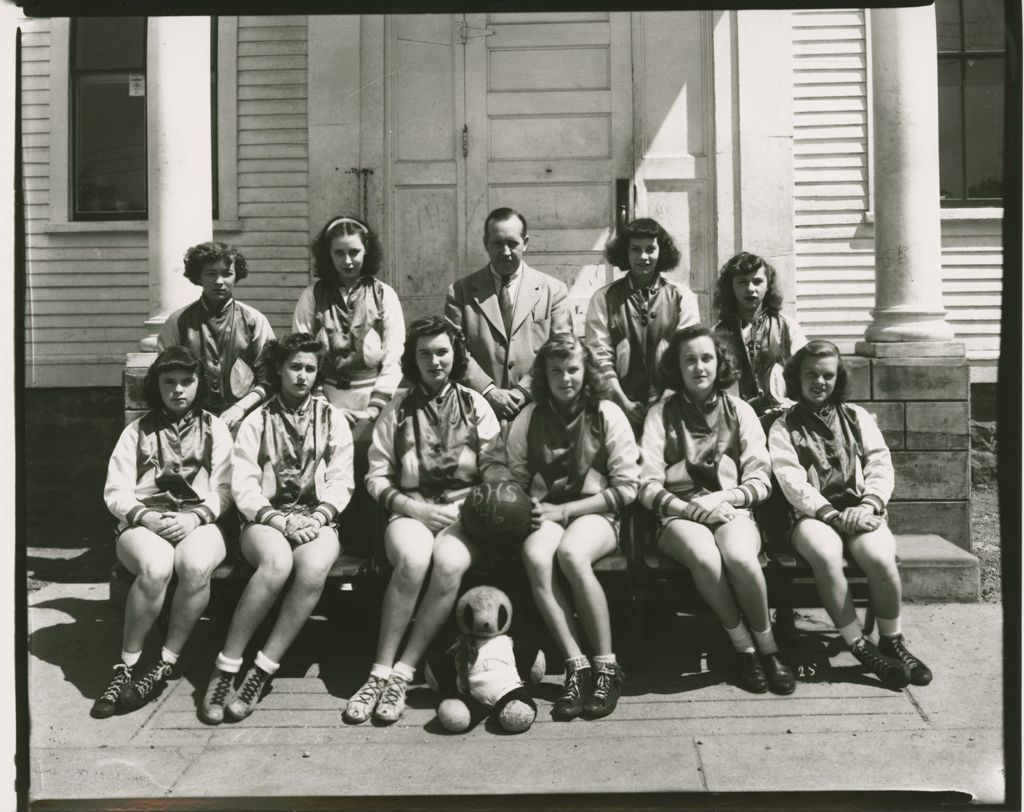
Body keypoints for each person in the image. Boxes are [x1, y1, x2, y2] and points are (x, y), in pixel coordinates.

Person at [347, 316, 510, 725]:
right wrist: (413, 508)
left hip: (463, 511)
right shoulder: (397, 408)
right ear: (412, 359)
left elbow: (494, 464)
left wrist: (476, 499)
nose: (434, 360)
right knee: (415, 559)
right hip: (410, 509)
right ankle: (377, 673)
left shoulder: (476, 404)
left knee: (450, 562)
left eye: (442, 352)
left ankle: (403, 673)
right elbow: (376, 475)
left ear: (455, 356)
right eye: (425, 353)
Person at [201, 333, 354, 723]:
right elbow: (245, 486)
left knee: (315, 566)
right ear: (280, 370)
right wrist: (280, 520)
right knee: (276, 563)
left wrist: (317, 518)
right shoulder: (257, 420)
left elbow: (341, 481)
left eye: (309, 368)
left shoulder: (332, 419)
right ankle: (227, 666)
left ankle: (262, 669)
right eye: (294, 367)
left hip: (316, 518)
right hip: (265, 519)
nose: (301, 376)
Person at [638, 326, 795, 695]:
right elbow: (646, 485)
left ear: (719, 362)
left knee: (740, 556)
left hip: (730, 507)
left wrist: (723, 500)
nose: (698, 367)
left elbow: (761, 479)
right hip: (678, 513)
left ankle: (769, 648)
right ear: (677, 367)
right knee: (705, 558)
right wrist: (693, 510)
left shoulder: (740, 410)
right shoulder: (660, 413)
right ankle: (745, 649)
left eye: (706, 358)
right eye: (689, 360)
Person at [768, 340, 931, 689]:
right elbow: (791, 481)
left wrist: (868, 505)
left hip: (860, 509)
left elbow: (879, 464)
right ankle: (858, 643)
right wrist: (830, 514)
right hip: (810, 517)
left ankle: (891, 640)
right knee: (826, 554)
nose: (819, 382)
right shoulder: (783, 426)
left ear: (837, 378)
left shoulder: (856, 416)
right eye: (811, 374)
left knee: (880, 557)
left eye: (828, 375)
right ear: (797, 377)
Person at [507, 335, 640, 720]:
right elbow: (514, 473)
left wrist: (563, 513)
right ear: (543, 376)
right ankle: (575, 664)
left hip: (597, 513)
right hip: (547, 511)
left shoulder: (606, 414)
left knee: (572, 554)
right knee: (536, 555)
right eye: (555, 371)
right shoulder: (529, 416)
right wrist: (523, 502)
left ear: (586, 372)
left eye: (573, 370)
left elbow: (627, 488)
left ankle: (607, 667)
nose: (565, 378)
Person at [96, 347, 232, 718]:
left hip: (199, 521)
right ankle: (125, 667)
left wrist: (195, 517)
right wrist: (144, 516)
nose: (178, 390)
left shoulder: (215, 428)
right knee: (156, 568)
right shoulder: (136, 431)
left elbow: (225, 489)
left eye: (187, 381)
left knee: (195, 565)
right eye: (168, 382)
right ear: (156, 386)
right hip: (146, 521)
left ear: (199, 384)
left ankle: (164, 662)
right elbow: (116, 491)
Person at [444, 207, 572, 422]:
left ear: (526, 242)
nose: (505, 252)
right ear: (486, 243)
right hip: (478, 410)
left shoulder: (553, 290)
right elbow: (455, 349)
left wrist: (523, 391)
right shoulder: (460, 292)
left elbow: (560, 349)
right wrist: (488, 391)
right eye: (497, 243)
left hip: (538, 410)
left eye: (512, 243)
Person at [585, 217, 700, 434]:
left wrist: (662, 402)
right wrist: (622, 402)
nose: (643, 257)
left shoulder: (682, 296)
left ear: (662, 251)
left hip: (672, 405)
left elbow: (687, 354)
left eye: (650, 249)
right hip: (617, 407)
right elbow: (598, 356)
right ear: (625, 253)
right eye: (635, 249)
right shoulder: (604, 298)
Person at [293, 215, 404, 432]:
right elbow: (300, 354)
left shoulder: (384, 295)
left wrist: (374, 408)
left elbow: (394, 356)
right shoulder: (312, 296)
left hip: (375, 404)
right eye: (339, 253)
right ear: (328, 254)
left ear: (366, 251)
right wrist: (322, 405)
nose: (347, 261)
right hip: (323, 403)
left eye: (354, 252)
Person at [159, 242, 276, 431]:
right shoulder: (179, 321)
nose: (219, 281)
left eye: (226, 273)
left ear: (236, 275)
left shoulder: (254, 320)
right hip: (190, 420)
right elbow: (166, 375)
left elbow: (270, 376)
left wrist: (240, 408)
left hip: (246, 420)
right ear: (199, 277)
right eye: (211, 274)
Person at [712, 251, 806, 421]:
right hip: (734, 421)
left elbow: (805, 375)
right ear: (731, 287)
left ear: (768, 285)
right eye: (742, 282)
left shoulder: (787, 328)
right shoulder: (716, 334)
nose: (750, 289)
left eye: (757, 281)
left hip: (782, 421)